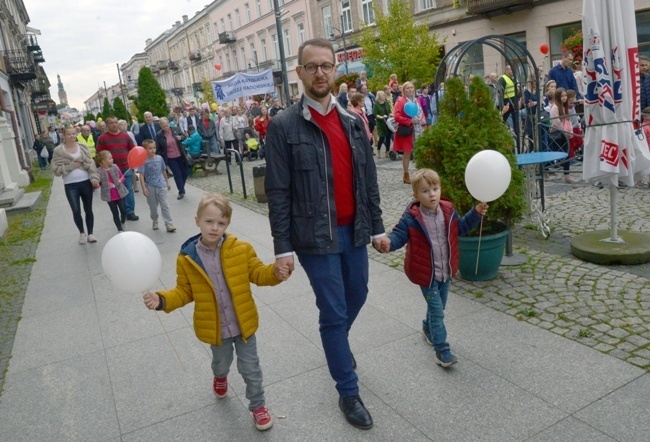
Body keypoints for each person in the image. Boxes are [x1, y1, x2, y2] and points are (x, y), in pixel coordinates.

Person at [265, 37, 389, 430]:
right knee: (333, 310)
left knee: (360, 293)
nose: (320, 73)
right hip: (314, 236)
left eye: (326, 65)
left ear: (336, 70)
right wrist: (282, 247)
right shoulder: (284, 126)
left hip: (355, 230)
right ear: (300, 73)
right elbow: (277, 191)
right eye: (312, 66)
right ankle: (348, 390)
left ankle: (337, 347)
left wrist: (379, 226)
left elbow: (368, 179)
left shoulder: (353, 121)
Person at [142, 193, 290, 432]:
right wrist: (161, 300)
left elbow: (258, 273)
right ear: (197, 220)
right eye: (209, 221)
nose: (214, 227)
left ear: (227, 225)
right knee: (221, 363)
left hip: (243, 325)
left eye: (221, 223)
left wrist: (275, 272)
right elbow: (183, 291)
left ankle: (258, 405)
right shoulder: (187, 258)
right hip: (216, 328)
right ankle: (220, 377)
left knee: (251, 368)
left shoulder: (241, 249)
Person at [379, 169, 488, 367]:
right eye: (425, 190)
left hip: (445, 272)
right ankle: (442, 350)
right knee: (438, 311)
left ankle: (428, 328)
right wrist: (387, 244)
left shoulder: (448, 211)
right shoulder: (411, 218)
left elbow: (461, 228)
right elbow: (398, 236)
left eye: (435, 189)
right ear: (416, 196)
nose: (432, 194)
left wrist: (476, 213)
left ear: (440, 189)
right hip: (426, 275)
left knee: (440, 306)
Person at [51, 126, 100, 244]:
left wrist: (94, 178)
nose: (72, 136)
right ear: (64, 136)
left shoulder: (82, 148)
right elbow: (56, 170)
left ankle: (91, 233)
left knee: (88, 209)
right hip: (70, 184)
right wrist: (70, 166)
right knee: (76, 210)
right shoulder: (58, 151)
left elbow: (91, 164)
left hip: (85, 182)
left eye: (74, 134)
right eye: (69, 134)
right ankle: (82, 233)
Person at [96, 116, 139, 220]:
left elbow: (133, 150)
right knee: (117, 191)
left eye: (116, 122)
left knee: (128, 189)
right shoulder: (102, 138)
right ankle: (122, 212)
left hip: (125, 168)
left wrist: (133, 163)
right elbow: (99, 155)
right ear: (107, 125)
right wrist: (101, 171)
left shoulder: (125, 136)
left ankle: (130, 212)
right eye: (111, 123)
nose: (114, 124)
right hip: (111, 171)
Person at [137, 140, 175, 232]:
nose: (153, 150)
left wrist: (167, 182)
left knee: (165, 205)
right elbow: (141, 175)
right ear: (145, 150)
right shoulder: (143, 161)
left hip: (161, 185)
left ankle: (169, 223)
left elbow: (163, 170)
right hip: (150, 186)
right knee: (153, 207)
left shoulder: (159, 158)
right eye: (150, 148)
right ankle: (155, 220)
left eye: (154, 148)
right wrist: (143, 188)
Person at [393, 81, 424, 184]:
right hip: (408, 130)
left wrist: (423, 119)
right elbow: (397, 116)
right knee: (407, 153)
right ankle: (406, 174)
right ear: (404, 90)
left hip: (418, 129)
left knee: (419, 152)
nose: (410, 89)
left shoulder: (417, 100)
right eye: (407, 88)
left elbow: (421, 112)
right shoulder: (400, 101)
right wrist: (409, 121)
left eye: (411, 88)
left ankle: (421, 174)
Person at [549, 87, 579, 184]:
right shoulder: (555, 108)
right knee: (554, 153)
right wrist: (565, 132)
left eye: (565, 95)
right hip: (558, 134)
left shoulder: (565, 107)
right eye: (562, 96)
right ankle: (544, 170)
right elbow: (556, 122)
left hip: (566, 134)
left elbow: (568, 120)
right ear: (558, 97)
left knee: (567, 154)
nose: (564, 98)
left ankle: (567, 175)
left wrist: (570, 131)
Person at [156, 117, 189, 199]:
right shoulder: (159, 135)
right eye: (163, 126)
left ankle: (181, 186)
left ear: (168, 124)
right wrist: (160, 158)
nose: (166, 128)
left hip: (181, 155)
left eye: (166, 125)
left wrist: (181, 137)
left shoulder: (175, 129)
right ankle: (181, 191)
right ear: (161, 126)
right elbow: (158, 148)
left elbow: (184, 136)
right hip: (170, 158)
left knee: (185, 173)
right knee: (177, 174)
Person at [96, 150, 128, 233]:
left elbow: (122, 177)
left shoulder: (115, 167)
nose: (112, 159)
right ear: (103, 161)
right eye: (110, 158)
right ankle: (119, 229)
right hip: (110, 197)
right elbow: (98, 183)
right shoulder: (98, 171)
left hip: (120, 193)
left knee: (123, 211)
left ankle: (123, 221)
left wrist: (121, 181)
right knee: (115, 213)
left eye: (112, 158)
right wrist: (96, 184)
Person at [373, 90, 392, 158]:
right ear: (379, 96)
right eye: (382, 95)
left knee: (388, 137)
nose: (384, 96)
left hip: (387, 122)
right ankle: (378, 150)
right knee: (381, 137)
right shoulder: (376, 104)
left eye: (384, 95)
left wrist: (391, 115)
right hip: (381, 123)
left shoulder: (386, 103)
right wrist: (381, 117)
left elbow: (389, 111)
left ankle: (387, 151)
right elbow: (375, 114)